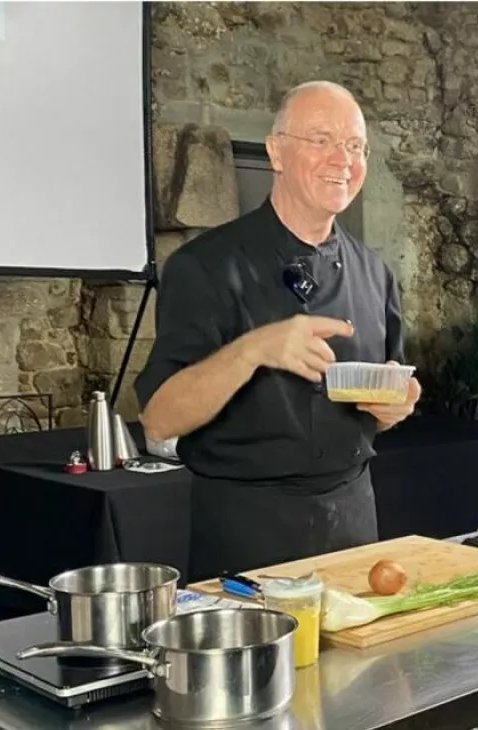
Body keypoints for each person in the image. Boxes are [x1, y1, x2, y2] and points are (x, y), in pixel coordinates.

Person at [134, 80, 421, 580]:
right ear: (276, 152)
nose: (343, 159)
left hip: (352, 524)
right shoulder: (204, 267)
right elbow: (159, 419)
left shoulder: (375, 273)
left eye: (355, 146)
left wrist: (396, 406)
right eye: (321, 140)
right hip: (246, 531)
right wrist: (252, 350)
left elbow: (383, 406)